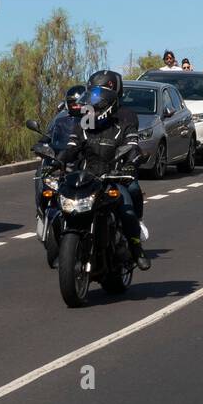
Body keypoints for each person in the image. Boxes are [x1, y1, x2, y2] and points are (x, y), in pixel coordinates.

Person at [57, 69, 151, 270]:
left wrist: (129, 163)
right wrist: (60, 160)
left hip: (113, 177)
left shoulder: (123, 121)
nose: (92, 106)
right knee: (64, 203)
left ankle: (136, 249)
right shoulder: (84, 124)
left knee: (126, 208)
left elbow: (132, 146)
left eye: (97, 103)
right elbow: (72, 147)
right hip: (88, 178)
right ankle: (62, 245)